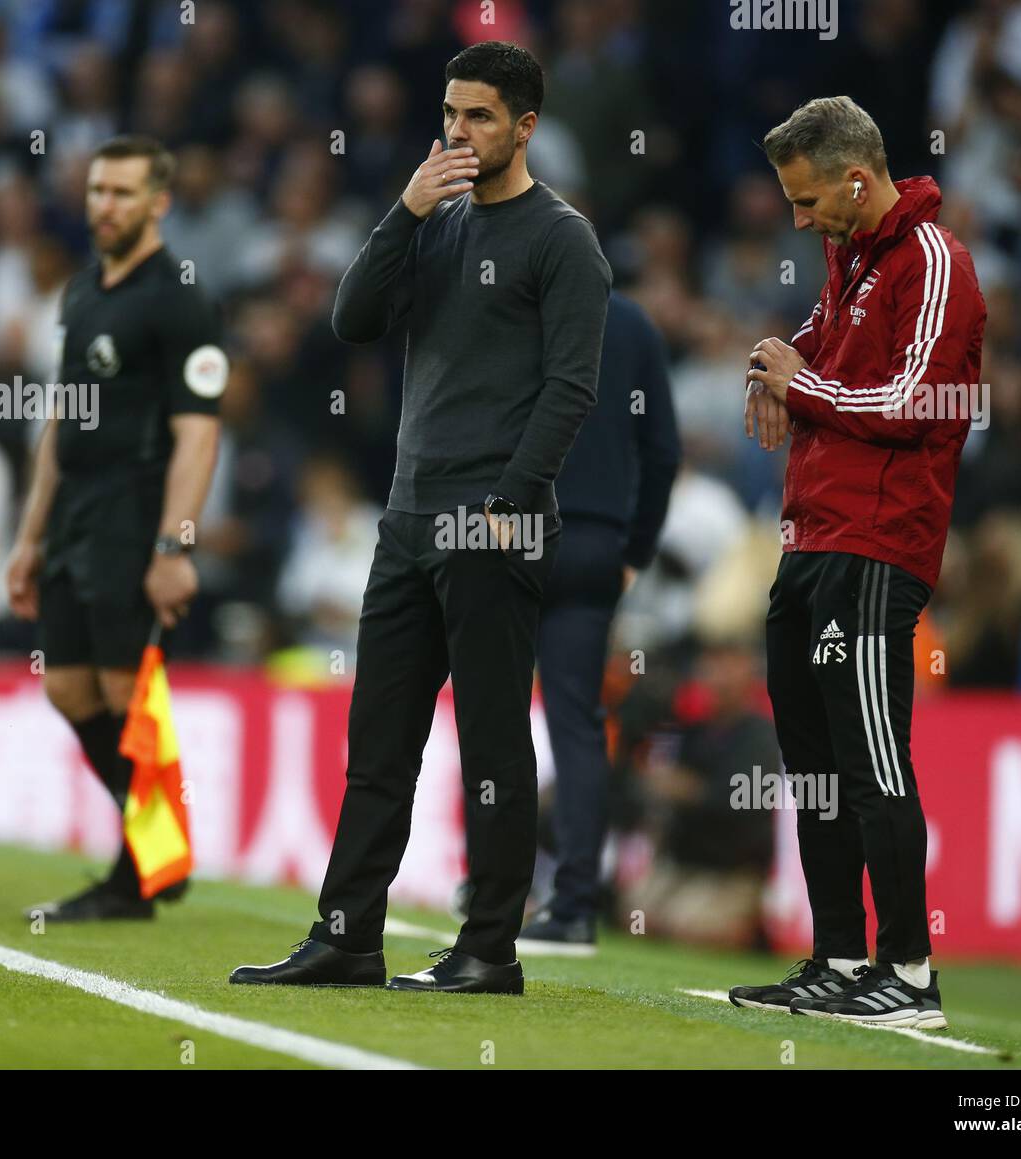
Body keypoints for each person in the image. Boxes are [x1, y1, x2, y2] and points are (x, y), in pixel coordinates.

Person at [229, 41, 611, 995]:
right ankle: (349, 934)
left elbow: (570, 391)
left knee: (489, 743)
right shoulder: (434, 225)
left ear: (525, 127)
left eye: (480, 116)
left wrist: (508, 506)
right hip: (406, 518)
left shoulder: (561, 239)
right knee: (380, 741)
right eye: (450, 112)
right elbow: (352, 319)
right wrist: (404, 208)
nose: (457, 131)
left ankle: (489, 948)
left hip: (495, 522)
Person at [728, 96, 986, 1029]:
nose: (800, 221)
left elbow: (918, 400)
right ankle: (840, 956)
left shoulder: (933, 261)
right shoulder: (856, 257)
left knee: (874, 755)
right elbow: (824, 352)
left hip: (880, 543)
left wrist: (808, 386)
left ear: (854, 177)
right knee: (816, 764)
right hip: (812, 533)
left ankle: (909, 972)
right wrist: (775, 364)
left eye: (806, 202)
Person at [7, 135, 225, 922]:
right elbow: (61, 419)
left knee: (125, 691)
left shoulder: (179, 297)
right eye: (98, 190)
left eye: (124, 193)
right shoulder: (83, 292)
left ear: (158, 202)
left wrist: (175, 544)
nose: (106, 205)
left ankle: (143, 867)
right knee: (67, 686)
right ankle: (155, 846)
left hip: (135, 509)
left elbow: (199, 432)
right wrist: (30, 534)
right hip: (74, 512)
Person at [520, 290, 680, 951]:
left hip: (515, 528)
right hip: (595, 543)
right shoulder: (634, 321)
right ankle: (576, 904)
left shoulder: (521, 307)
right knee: (579, 724)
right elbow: (663, 450)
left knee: (494, 711)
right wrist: (633, 549)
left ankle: (495, 888)